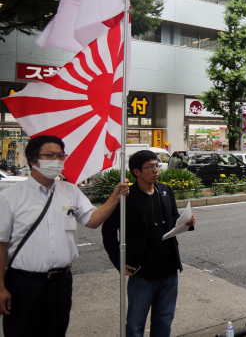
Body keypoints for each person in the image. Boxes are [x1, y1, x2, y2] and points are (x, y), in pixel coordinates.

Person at [0, 135, 129, 336]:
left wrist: (115, 197)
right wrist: (0, 288)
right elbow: (1, 245)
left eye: (61, 156)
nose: (57, 161)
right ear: (33, 160)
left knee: (56, 331)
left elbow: (92, 221)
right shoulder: (9, 197)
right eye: (50, 156)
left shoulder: (70, 191)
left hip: (61, 283)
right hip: (23, 285)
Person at [102, 150, 196, 337]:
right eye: (150, 166)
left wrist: (187, 222)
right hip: (141, 272)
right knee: (135, 325)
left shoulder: (165, 190)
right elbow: (108, 232)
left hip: (169, 269)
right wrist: (118, 261)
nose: (156, 170)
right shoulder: (126, 197)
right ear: (136, 171)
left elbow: (174, 218)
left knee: (164, 320)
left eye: (157, 165)